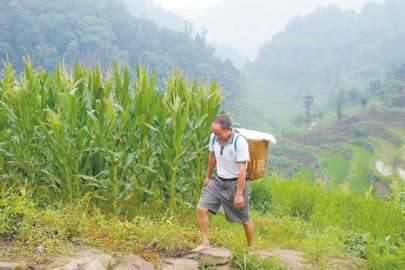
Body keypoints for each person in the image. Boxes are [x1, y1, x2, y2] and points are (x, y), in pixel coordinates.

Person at [193, 115, 254, 252]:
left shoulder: (239, 142)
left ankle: (251, 248)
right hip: (218, 181)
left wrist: (239, 194)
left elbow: (243, 169)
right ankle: (205, 242)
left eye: (218, 133)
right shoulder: (213, 138)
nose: (216, 136)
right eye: (214, 133)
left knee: (244, 219)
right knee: (201, 208)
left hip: (235, 184)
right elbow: (212, 156)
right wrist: (208, 177)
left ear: (227, 130)